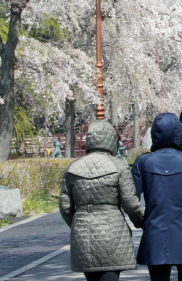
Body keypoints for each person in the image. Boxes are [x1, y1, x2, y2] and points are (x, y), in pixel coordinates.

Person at [59, 120, 144, 281]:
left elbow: (65, 206)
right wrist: (142, 221)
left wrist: (77, 224)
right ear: (112, 140)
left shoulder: (73, 167)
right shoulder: (118, 165)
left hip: (83, 234)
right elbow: (130, 203)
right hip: (112, 231)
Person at [132, 113, 182, 281]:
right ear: (177, 133)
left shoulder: (143, 162)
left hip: (154, 229)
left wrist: (141, 220)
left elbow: (132, 199)